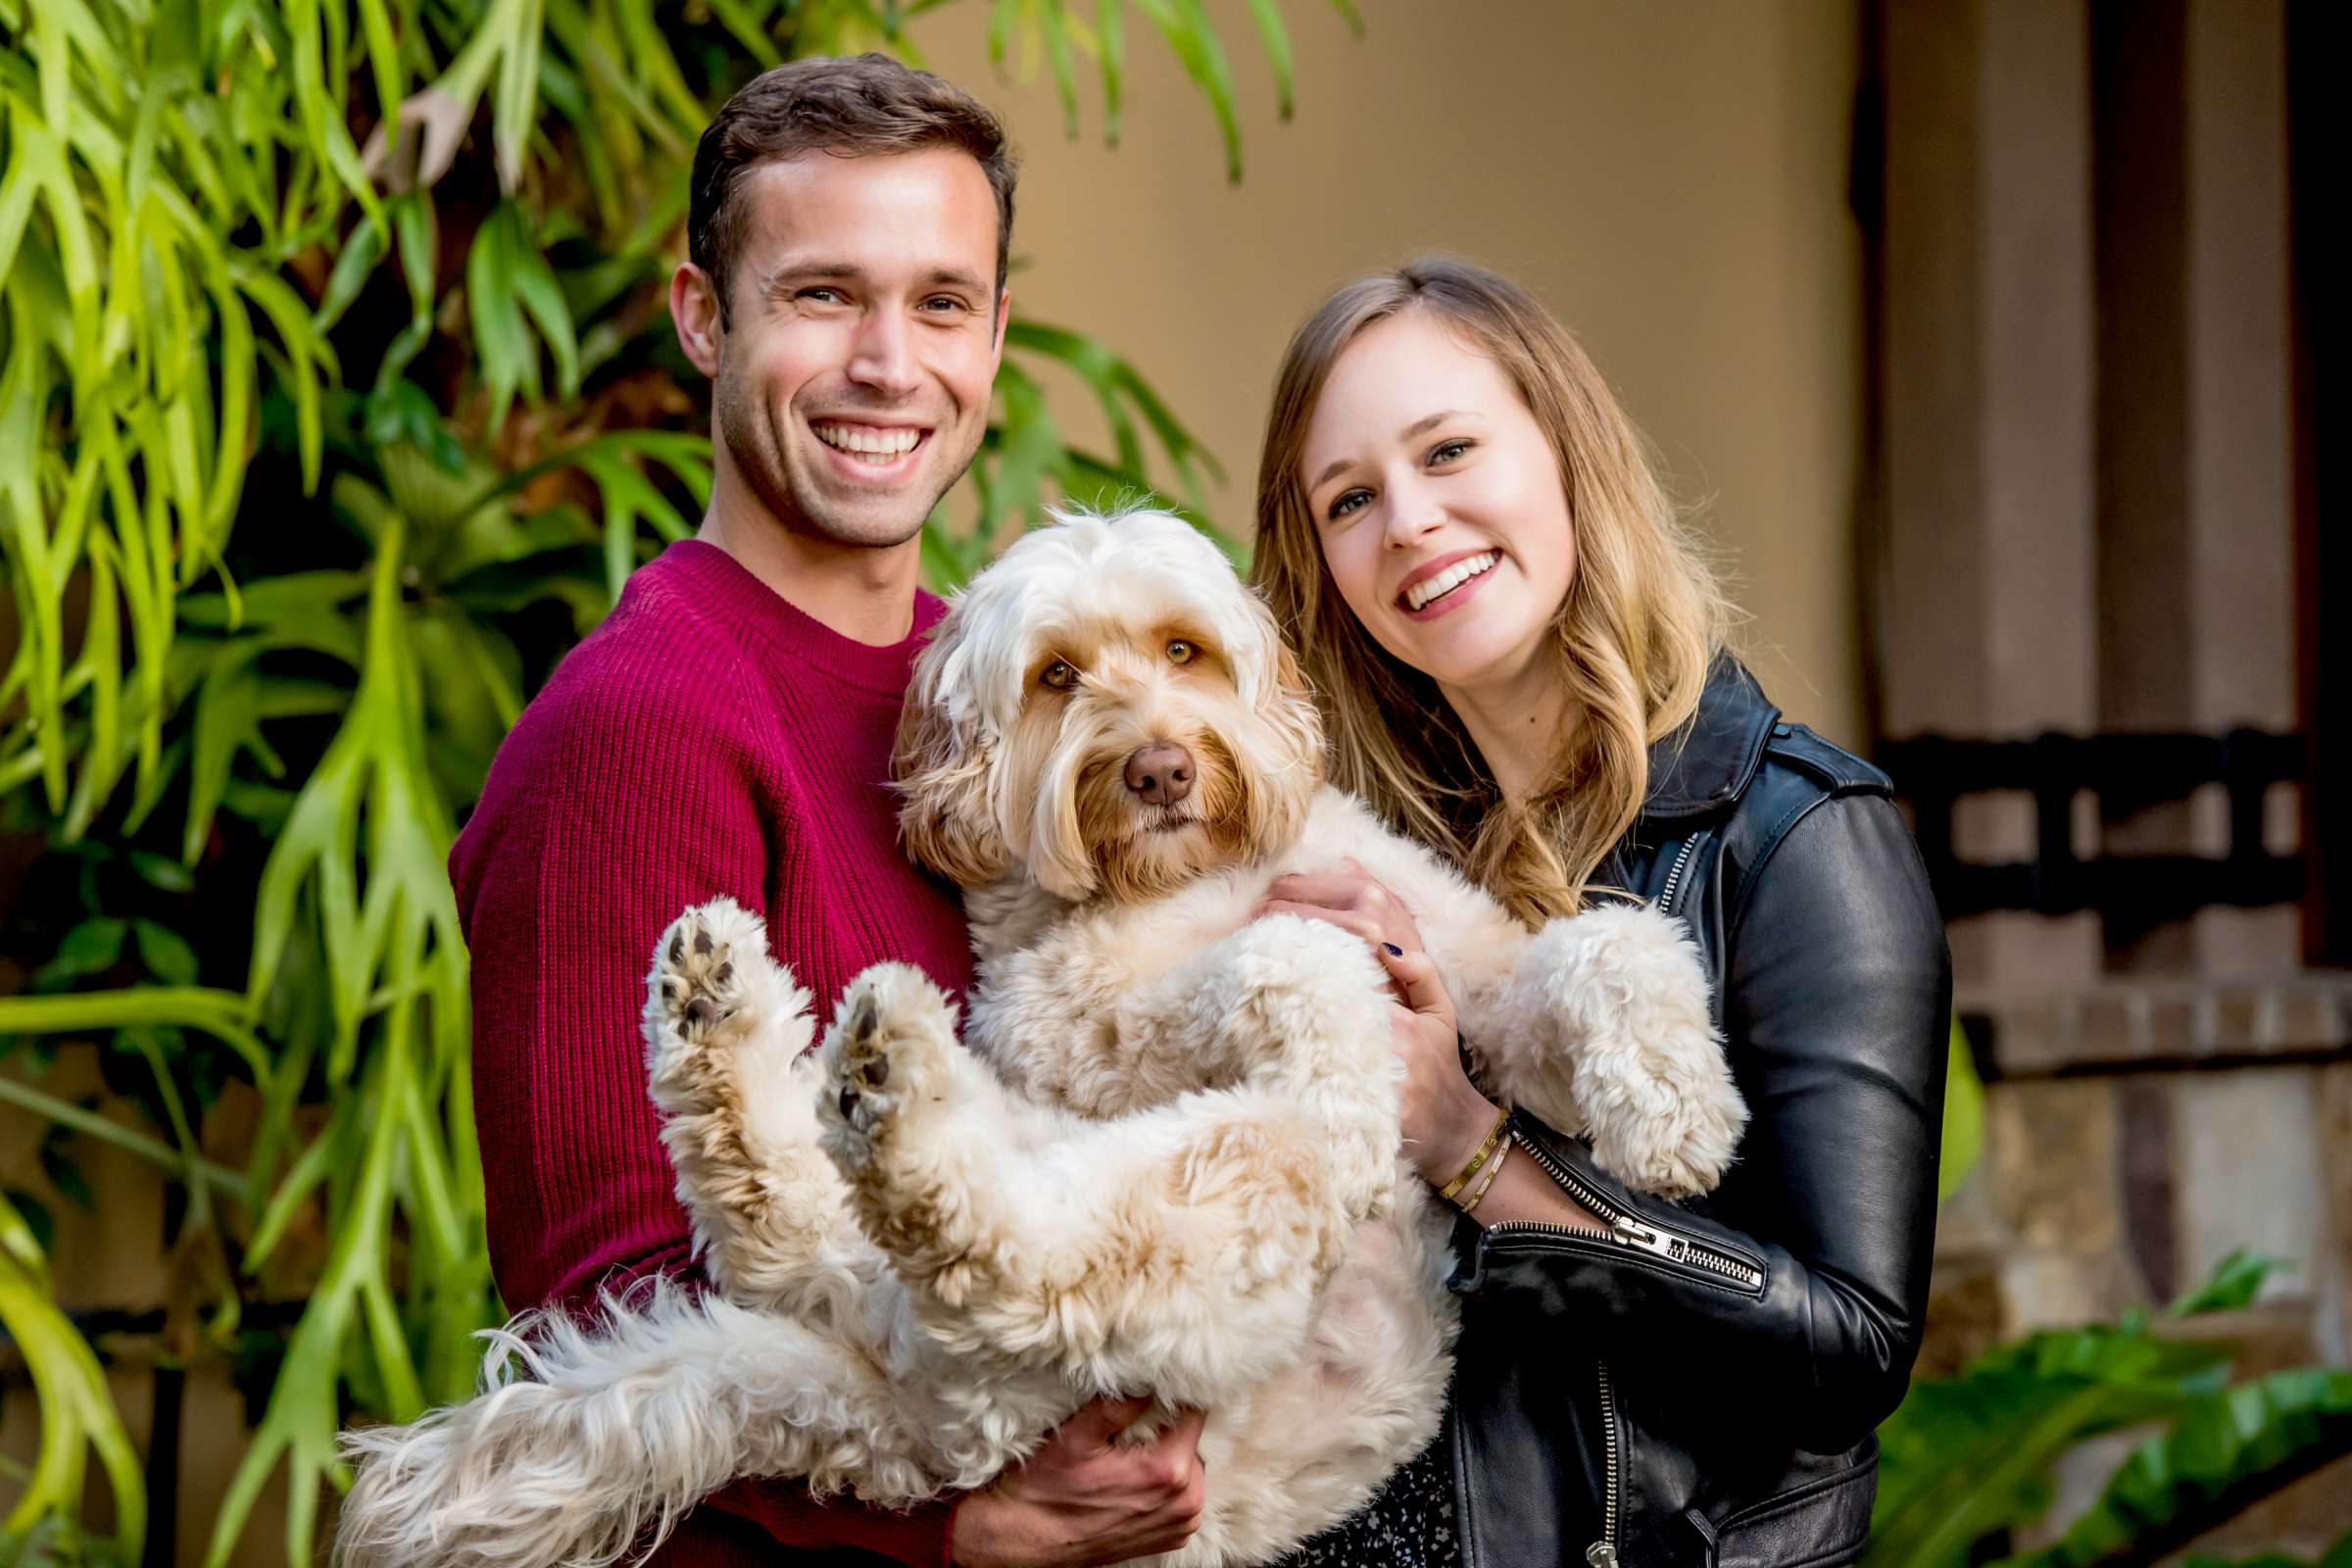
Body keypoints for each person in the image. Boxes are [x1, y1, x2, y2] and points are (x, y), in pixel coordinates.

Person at [449, 55, 1206, 1568]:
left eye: (940, 302)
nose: (887, 363)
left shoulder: (1013, 701)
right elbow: (615, 1314)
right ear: (701, 317)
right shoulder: (639, 730)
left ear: (994, 336)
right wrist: (957, 1533)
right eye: (819, 297)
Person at [1249, 258, 1951, 1567]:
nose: (1408, 521)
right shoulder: (1366, 862)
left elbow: (1850, 1352)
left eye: (1448, 450)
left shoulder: (1798, 838)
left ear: (1565, 450)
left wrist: (1476, 1149)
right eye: (1351, 499)